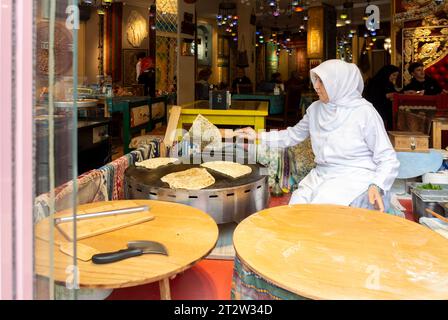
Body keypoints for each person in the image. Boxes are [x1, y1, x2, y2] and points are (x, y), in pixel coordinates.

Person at [236, 59, 400, 212]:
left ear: (339, 84)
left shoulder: (364, 112)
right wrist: (258, 136)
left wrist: (377, 184)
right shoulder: (315, 109)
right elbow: (293, 135)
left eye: (322, 81)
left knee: (319, 210)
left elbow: (387, 156)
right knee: (296, 206)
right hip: (321, 174)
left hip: (354, 175)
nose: (316, 86)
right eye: (316, 80)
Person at [363, 65, 400, 131]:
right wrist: (387, 96)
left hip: (387, 114)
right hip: (377, 113)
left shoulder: (390, 84)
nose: (395, 78)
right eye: (393, 75)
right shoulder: (374, 83)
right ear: (387, 73)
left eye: (396, 76)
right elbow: (372, 97)